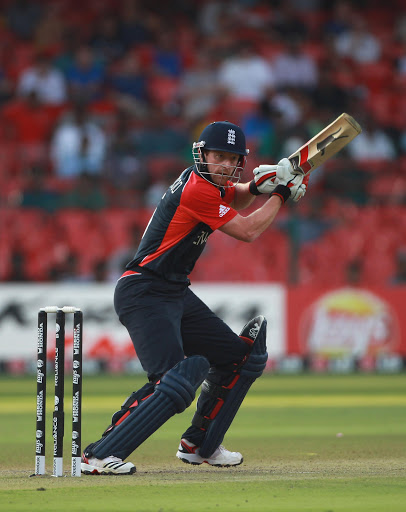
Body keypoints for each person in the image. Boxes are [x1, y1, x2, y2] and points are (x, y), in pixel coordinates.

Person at [81, 120, 308, 475]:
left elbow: (240, 193)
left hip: (173, 291)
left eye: (233, 159)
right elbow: (247, 230)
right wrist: (280, 194)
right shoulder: (197, 189)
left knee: (239, 358)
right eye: (218, 156)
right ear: (201, 154)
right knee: (172, 379)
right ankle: (98, 455)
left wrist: (265, 184)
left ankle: (199, 445)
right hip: (144, 291)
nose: (225, 165)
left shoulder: (210, 185)